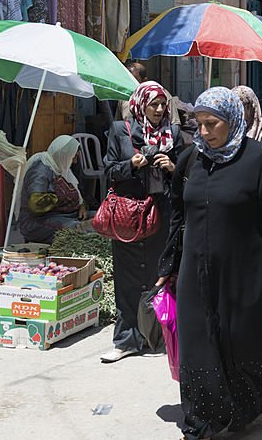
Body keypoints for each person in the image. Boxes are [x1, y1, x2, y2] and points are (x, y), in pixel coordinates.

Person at [157, 87, 262, 436]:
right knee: (198, 345)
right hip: (195, 272)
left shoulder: (261, 160)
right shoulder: (191, 159)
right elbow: (178, 216)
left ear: (233, 120)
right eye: (199, 124)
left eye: (212, 123)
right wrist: (168, 267)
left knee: (242, 343)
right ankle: (201, 423)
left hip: (245, 274)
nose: (204, 132)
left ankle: (261, 396)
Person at [101, 81, 182, 363]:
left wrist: (172, 168)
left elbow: (188, 173)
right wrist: (131, 165)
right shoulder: (120, 132)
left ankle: (159, 336)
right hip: (130, 218)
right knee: (127, 280)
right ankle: (126, 340)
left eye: (163, 105)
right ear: (140, 105)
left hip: (163, 216)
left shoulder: (175, 134)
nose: (160, 110)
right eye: (154, 104)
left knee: (160, 277)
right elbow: (108, 171)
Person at [17, 136, 88, 244]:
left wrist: (81, 205)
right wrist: (58, 197)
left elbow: (76, 192)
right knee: (77, 229)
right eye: (74, 157)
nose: (75, 161)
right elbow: (35, 204)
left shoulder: (61, 167)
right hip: (37, 221)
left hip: (62, 215)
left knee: (100, 219)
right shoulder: (40, 170)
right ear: (63, 154)